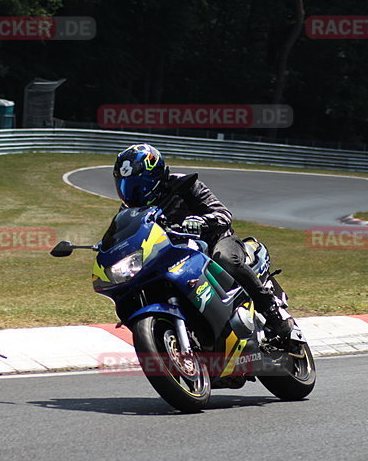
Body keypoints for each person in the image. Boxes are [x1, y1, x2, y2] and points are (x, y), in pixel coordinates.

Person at [112, 143, 292, 340]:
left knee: (225, 259)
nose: (132, 192)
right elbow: (123, 235)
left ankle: (271, 311)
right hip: (175, 254)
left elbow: (223, 214)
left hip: (214, 240)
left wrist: (203, 221)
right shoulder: (128, 211)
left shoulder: (185, 185)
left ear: (154, 176)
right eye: (125, 186)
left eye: (138, 185)